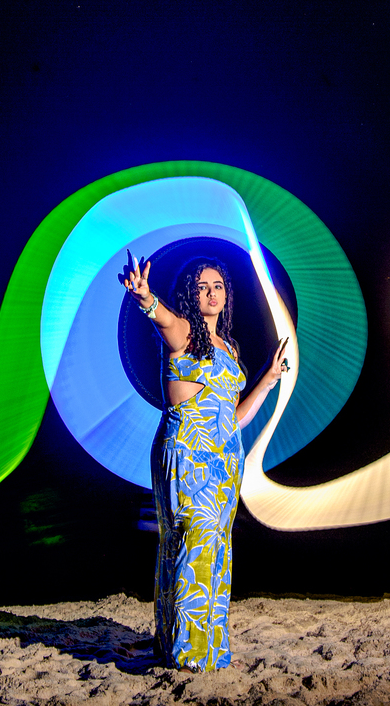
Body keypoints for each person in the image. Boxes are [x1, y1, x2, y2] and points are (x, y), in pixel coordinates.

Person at [122, 251, 289, 671]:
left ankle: (204, 647)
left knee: (215, 551)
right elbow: (157, 314)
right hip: (187, 456)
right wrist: (144, 295)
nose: (211, 293)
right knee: (189, 545)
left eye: (218, 286)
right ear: (190, 294)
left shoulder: (227, 347)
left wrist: (267, 381)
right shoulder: (181, 331)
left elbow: (233, 417)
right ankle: (186, 651)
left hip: (222, 461)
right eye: (202, 286)